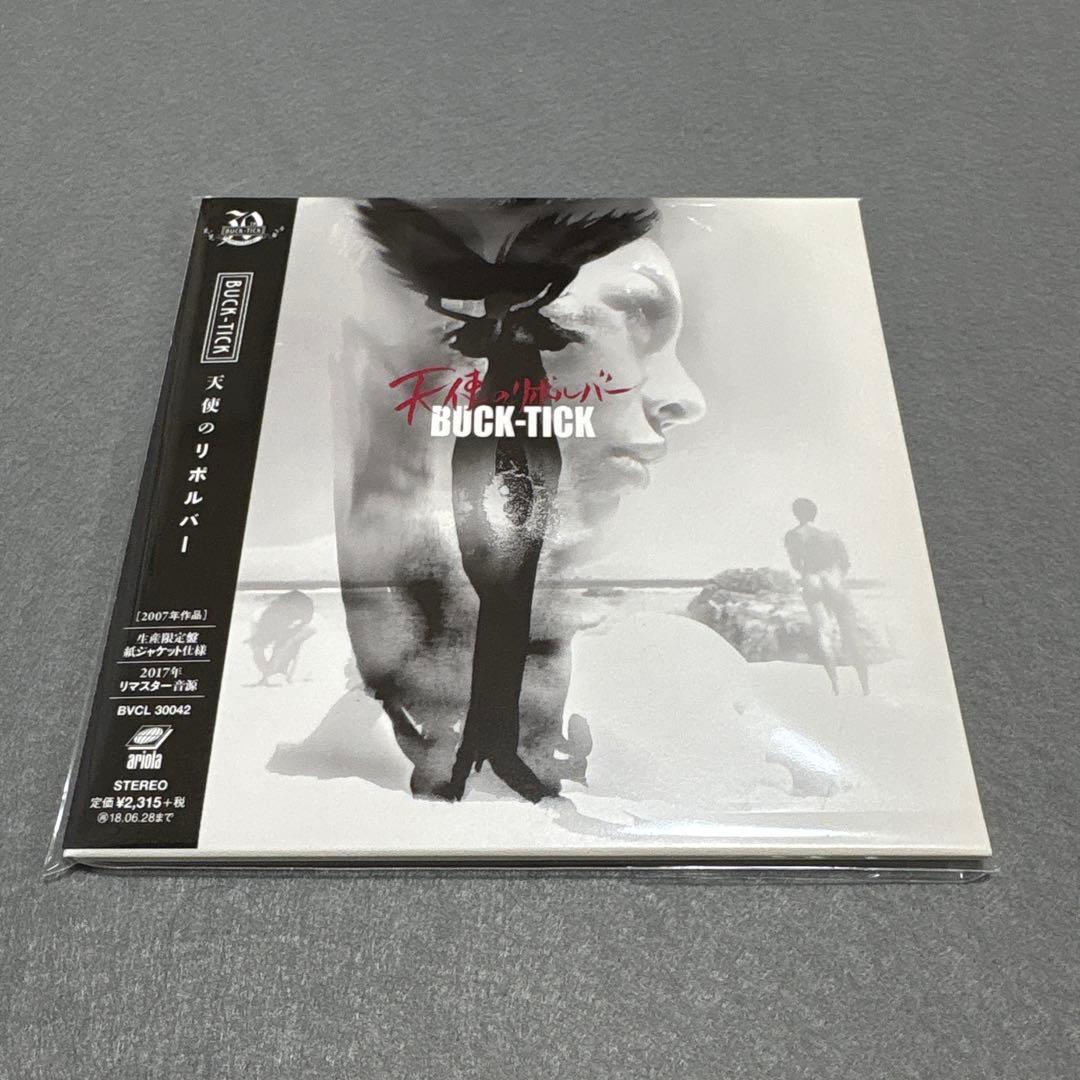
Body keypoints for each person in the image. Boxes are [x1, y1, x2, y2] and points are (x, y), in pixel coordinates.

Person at [783, 498, 870, 696]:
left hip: (812, 581)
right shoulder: (831, 535)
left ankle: (836, 686)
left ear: (796, 514)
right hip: (834, 579)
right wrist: (835, 575)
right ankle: (865, 687)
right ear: (815, 513)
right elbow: (845, 563)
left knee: (824, 633)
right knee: (851, 633)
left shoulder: (793, 536)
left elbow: (796, 564)